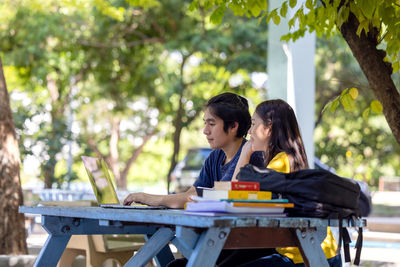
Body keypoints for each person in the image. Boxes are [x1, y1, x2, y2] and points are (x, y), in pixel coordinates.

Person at [231, 99, 341, 267]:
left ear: (269, 128)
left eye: (253, 124)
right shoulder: (289, 158)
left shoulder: (280, 163)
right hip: (321, 254)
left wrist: (244, 154)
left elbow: (236, 196)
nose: (250, 131)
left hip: (306, 258)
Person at [123, 92, 264, 209]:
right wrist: (150, 198)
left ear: (233, 126)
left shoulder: (250, 156)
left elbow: (220, 195)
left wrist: (151, 198)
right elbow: (192, 194)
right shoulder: (215, 156)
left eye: (212, 124)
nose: (205, 131)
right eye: (205, 123)